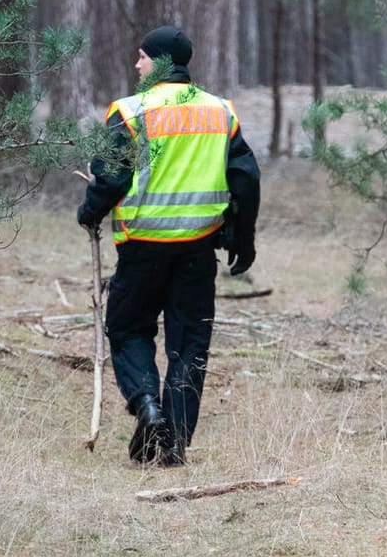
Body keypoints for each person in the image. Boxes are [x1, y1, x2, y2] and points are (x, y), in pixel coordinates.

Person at [76, 26, 260, 466]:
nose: (136, 65)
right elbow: (246, 179)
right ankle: (172, 443)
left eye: (141, 57)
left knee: (126, 330)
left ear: (158, 61)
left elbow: (113, 176)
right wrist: (244, 236)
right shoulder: (220, 112)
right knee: (190, 345)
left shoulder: (131, 110)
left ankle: (147, 404)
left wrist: (89, 210)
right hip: (198, 250)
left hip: (141, 249)